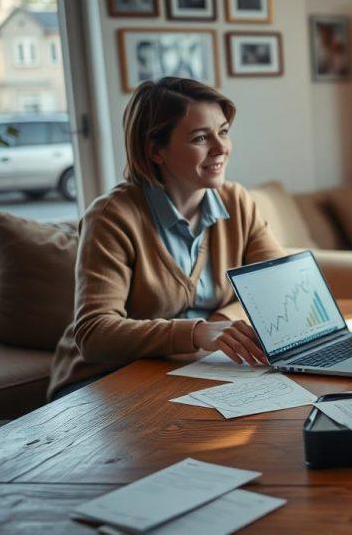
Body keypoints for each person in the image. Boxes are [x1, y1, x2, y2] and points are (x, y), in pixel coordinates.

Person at [48, 77, 284, 400]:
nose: (220, 148)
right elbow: (94, 332)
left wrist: (221, 323)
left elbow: (280, 289)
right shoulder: (111, 217)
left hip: (192, 369)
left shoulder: (237, 203)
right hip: (103, 380)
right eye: (201, 137)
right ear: (156, 151)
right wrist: (198, 333)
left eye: (224, 132)